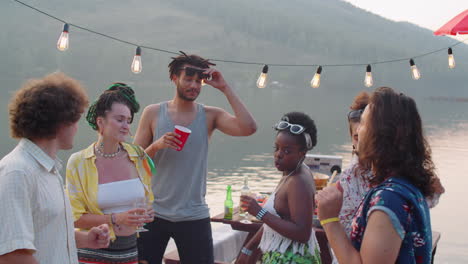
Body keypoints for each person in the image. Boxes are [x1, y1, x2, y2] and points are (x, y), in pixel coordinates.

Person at [134, 52, 257, 263]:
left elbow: (249, 128)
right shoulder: (153, 113)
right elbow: (133, 162)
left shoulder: (210, 115)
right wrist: (156, 145)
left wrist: (225, 88)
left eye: (198, 81)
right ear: (174, 78)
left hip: (194, 215)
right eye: (188, 79)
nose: (194, 86)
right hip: (152, 213)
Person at [317, 87, 436, 263]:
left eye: (364, 123)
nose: (357, 131)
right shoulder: (404, 186)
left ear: (382, 134)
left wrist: (330, 220)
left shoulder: (389, 198)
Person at [0, 73, 110, 263]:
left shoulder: (49, 170)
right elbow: (13, 255)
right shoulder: (16, 172)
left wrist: (84, 239)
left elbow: (44, 233)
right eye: (75, 120)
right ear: (60, 122)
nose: (77, 128)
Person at [66, 83, 155, 264]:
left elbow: (147, 201)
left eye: (128, 120)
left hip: (130, 251)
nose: (126, 126)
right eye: (119, 119)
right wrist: (116, 219)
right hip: (91, 253)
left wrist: (148, 213)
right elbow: (74, 218)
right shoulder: (78, 162)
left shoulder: (138, 156)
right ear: (101, 122)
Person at [237, 112, 322, 264]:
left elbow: (302, 233)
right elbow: (278, 220)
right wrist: (249, 247)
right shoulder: (290, 171)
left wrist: (259, 211)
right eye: (276, 148)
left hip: (293, 259)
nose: (278, 155)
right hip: (279, 255)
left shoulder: (298, 181)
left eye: (287, 151)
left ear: (303, 153)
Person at [338, 92, 373, 236]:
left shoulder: (394, 170)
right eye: (356, 137)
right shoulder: (350, 174)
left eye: (367, 136)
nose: (362, 143)